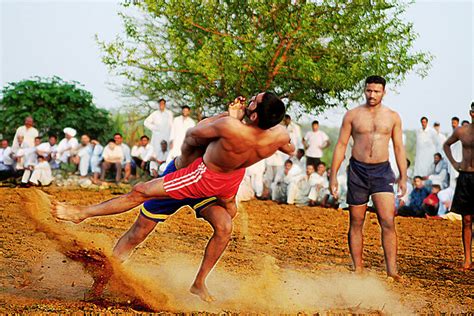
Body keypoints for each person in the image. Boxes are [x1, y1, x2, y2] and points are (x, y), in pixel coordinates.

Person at [52, 92, 294, 301]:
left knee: (217, 223)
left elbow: (195, 133)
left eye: (253, 102)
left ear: (253, 116)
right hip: (203, 178)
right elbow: (289, 148)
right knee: (141, 231)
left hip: (201, 178)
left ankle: (80, 214)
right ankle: (101, 283)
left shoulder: (231, 126)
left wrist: (229, 117)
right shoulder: (279, 135)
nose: (249, 100)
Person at [329, 75, 407, 280]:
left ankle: (392, 270)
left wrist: (403, 176)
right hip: (357, 170)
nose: (372, 95)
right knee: (356, 220)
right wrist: (333, 175)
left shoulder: (392, 117)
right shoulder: (353, 115)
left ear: (384, 92)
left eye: (376, 91)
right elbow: (341, 145)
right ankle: (358, 268)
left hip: (382, 171)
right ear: (364, 90)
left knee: (388, 220)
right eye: (369, 90)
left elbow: (399, 147)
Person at [443, 103, 474, 270]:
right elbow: (446, 145)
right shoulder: (462, 131)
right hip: (466, 176)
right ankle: (467, 259)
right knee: (467, 220)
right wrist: (455, 163)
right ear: (471, 113)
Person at [448, 116, 462, 188]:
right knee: (452, 183)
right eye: (452, 123)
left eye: (455, 123)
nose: (453, 124)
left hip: (458, 160)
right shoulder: (450, 134)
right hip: (451, 161)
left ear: (458, 123)